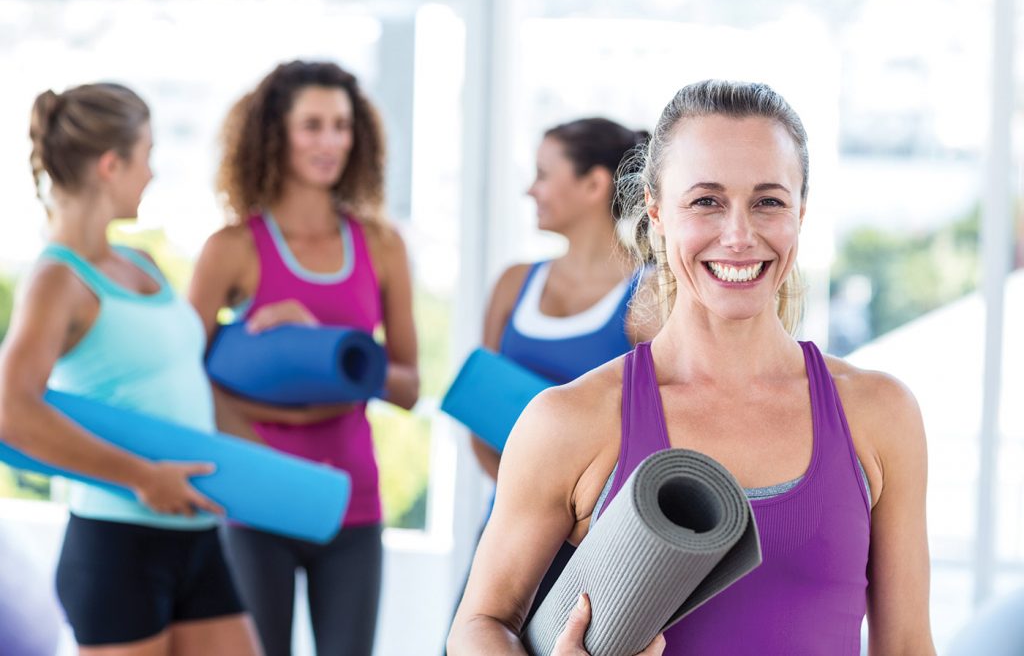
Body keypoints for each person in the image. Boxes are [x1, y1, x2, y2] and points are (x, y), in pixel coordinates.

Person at [448, 79, 935, 655]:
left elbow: (906, 646)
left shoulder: (879, 415)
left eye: (768, 201)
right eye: (706, 201)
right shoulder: (570, 421)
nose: (738, 235)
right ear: (655, 213)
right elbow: (480, 625)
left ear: (801, 213)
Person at [0, 83, 260, 655]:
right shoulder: (56, 280)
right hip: (118, 544)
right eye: (147, 156)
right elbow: (11, 412)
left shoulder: (140, 263)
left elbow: (182, 376)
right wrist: (142, 477)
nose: (152, 173)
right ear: (111, 166)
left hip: (195, 534)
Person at [189, 60, 420, 656]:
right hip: (257, 496)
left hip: (353, 498)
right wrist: (279, 424)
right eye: (312, 125)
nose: (330, 142)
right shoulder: (232, 248)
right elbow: (185, 374)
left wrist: (324, 347)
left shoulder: (382, 245)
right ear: (275, 134)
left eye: (341, 126)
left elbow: (407, 385)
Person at [466, 117, 658, 620]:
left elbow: (665, 434)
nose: (532, 190)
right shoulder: (513, 285)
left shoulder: (650, 297)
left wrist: (569, 519)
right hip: (506, 531)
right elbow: (478, 411)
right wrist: (528, 504)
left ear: (594, 184)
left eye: (544, 174)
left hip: (594, 552)